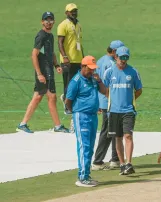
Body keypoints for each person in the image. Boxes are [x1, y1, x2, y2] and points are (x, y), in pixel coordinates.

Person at [16, 11, 69, 134]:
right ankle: (57, 126)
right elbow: (34, 55)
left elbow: (51, 53)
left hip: (49, 70)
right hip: (44, 72)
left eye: (50, 20)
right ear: (42, 22)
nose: (48, 22)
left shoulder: (50, 36)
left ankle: (23, 124)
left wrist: (56, 65)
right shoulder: (41, 36)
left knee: (41, 96)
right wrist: (39, 74)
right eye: (46, 20)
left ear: (53, 22)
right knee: (49, 96)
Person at [65, 55, 107, 187]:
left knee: (89, 147)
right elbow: (68, 101)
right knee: (84, 147)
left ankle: (87, 175)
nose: (92, 71)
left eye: (93, 69)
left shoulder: (93, 79)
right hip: (81, 116)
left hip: (93, 116)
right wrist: (74, 114)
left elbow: (105, 91)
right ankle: (82, 177)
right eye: (90, 69)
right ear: (83, 67)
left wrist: (99, 80)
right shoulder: (76, 81)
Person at [103, 46, 142, 175]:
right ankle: (122, 164)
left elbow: (139, 90)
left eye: (126, 58)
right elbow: (105, 89)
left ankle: (129, 163)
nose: (123, 60)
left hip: (128, 110)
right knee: (118, 138)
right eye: (121, 58)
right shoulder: (109, 72)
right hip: (113, 111)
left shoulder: (133, 72)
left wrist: (130, 100)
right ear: (116, 57)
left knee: (128, 135)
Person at [92, 40, 124, 171]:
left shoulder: (101, 60)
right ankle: (98, 161)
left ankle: (115, 159)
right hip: (109, 102)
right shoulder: (111, 64)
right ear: (115, 51)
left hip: (104, 101)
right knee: (107, 132)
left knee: (115, 130)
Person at [57, 3, 83, 133]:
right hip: (68, 60)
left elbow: (79, 43)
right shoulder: (63, 25)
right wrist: (65, 56)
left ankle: (68, 99)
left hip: (78, 59)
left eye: (75, 11)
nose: (74, 13)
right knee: (68, 82)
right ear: (66, 12)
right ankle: (67, 103)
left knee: (76, 83)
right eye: (71, 11)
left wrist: (83, 57)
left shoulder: (78, 25)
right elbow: (60, 43)